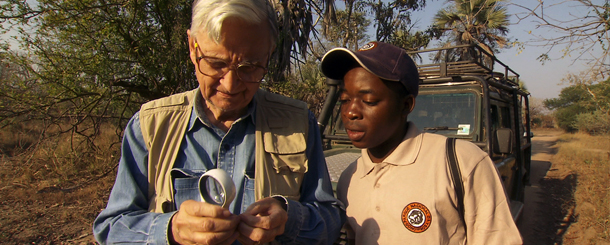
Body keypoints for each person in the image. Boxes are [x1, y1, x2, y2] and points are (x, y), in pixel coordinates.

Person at [93, 0, 344, 243]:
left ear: (269, 55)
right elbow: (111, 227)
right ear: (193, 47)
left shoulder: (298, 123)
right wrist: (170, 230)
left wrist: (288, 219)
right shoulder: (150, 126)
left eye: (250, 67)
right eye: (216, 64)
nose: (230, 85)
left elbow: (330, 220)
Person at [320, 41, 522, 244]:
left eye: (369, 101)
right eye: (345, 100)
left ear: (406, 105)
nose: (350, 112)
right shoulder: (350, 177)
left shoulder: (461, 162)